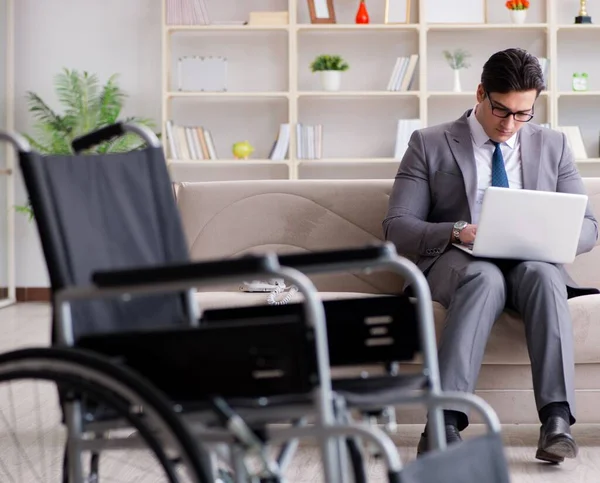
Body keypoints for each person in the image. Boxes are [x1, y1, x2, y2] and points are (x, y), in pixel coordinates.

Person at [383, 47, 599, 464]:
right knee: (484, 277)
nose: (510, 124)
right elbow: (397, 226)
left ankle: (557, 421)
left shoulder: (553, 145)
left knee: (545, 275)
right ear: (481, 93)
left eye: (523, 114)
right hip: (457, 259)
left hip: (529, 260)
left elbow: (589, 227)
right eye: (502, 111)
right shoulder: (429, 142)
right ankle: (443, 423)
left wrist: (550, 234)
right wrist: (456, 230)